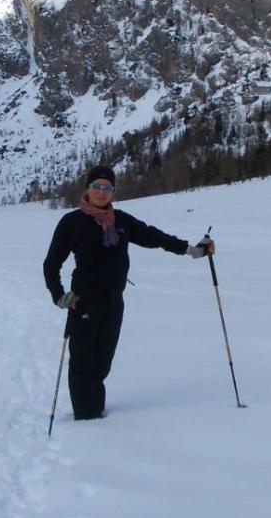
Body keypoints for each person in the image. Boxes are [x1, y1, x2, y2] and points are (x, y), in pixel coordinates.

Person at [42, 164, 214, 421]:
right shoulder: (72, 222)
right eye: (97, 187)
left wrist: (192, 250)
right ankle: (85, 418)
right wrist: (59, 295)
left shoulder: (121, 221)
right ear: (88, 189)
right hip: (83, 302)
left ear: (113, 191)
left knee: (102, 363)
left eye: (107, 188)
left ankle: (96, 412)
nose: (102, 192)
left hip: (113, 301)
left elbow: (155, 237)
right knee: (82, 364)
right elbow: (51, 263)